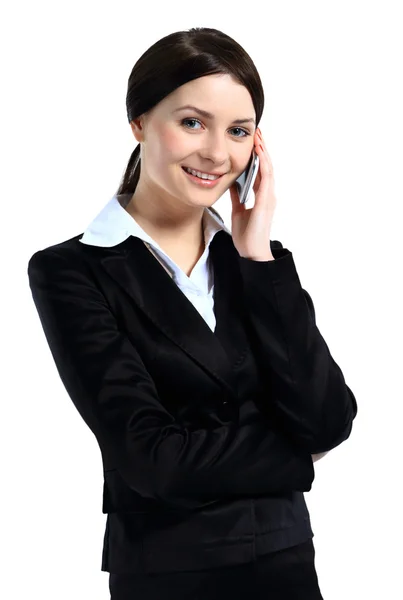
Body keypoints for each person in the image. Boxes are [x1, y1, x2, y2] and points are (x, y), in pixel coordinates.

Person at [27, 27, 357, 600]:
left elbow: (329, 419)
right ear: (138, 123)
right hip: (167, 574)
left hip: (286, 565)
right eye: (192, 123)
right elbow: (152, 460)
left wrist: (257, 254)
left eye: (238, 131)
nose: (216, 153)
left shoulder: (255, 264)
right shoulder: (71, 271)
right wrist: (295, 452)